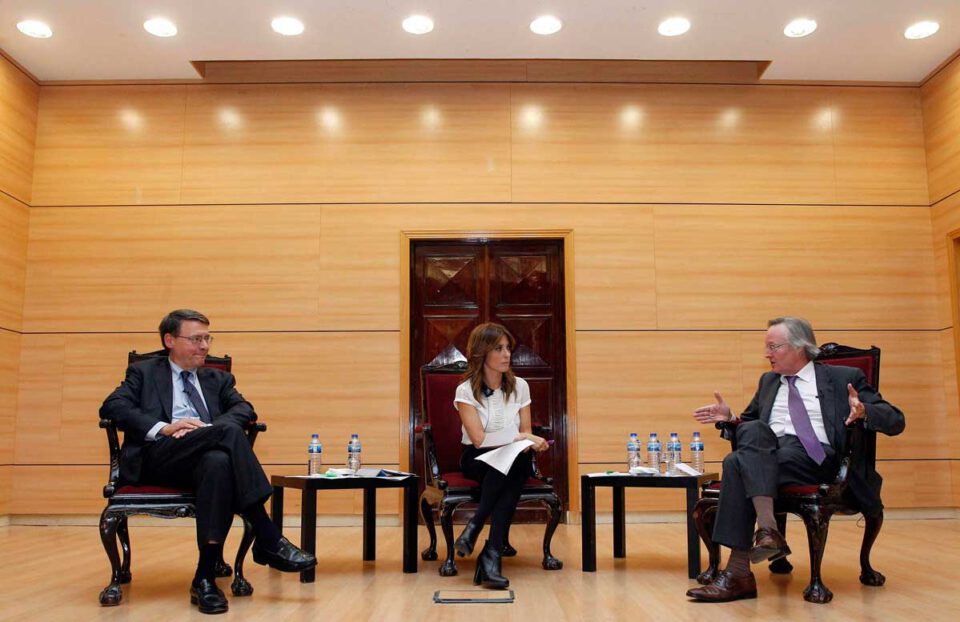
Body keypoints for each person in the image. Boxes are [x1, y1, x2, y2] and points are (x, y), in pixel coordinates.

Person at [100, 309, 316, 614]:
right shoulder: (144, 372)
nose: (204, 346)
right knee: (226, 434)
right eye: (196, 339)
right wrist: (165, 427)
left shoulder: (218, 379)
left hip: (204, 461)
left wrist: (208, 431)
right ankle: (267, 535)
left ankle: (204, 579)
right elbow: (112, 406)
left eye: (207, 338)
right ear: (170, 340)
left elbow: (245, 409)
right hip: (159, 457)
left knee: (218, 462)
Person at [686, 316, 905, 603]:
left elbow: (895, 419)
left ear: (799, 347)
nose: (767, 354)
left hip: (817, 457)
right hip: (771, 455)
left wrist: (864, 411)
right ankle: (765, 535)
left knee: (735, 463)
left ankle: (739, 572)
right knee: (746, 443)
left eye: (773, 347)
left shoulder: (844, 377)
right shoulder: (768, 382)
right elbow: (749, 429)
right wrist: (731, 419)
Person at [452, 322, 550, 589]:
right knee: (511, 469)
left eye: (508, 348)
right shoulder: (465, 390)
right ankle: (489, 552)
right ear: (482, 352)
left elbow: (526, 433)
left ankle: (479, 534)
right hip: (477, 458)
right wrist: (522, 437)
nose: (507, 354)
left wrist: (529, 441)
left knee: (515, 462)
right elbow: (479, 439)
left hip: (512, 457)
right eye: (499, 349)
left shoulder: (520, 386)